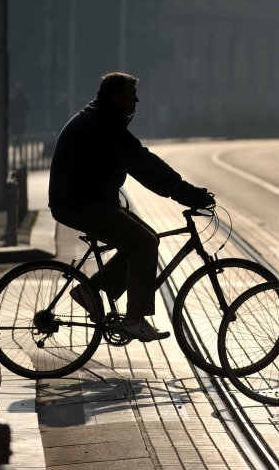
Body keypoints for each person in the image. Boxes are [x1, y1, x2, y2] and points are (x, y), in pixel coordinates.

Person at [48, 72, 215, 342]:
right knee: (144, 244)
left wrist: (179, 191)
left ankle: (90, 292)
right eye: (132, 94)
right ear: (116, 96)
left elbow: (140, 164)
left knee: (145, 238)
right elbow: (142, 163)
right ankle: (134, 319)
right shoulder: (104, 124)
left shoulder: (103, 118)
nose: (136, 100)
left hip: (88, 199)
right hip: (79, 203)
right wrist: (182, 191)